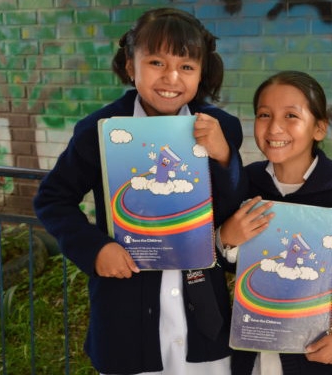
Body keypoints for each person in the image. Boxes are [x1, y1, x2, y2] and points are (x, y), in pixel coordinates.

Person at [33, 8, 245, 375]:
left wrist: (224, 157)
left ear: (201, 73)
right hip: (126, 310)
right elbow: (52, 198)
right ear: (131, 67)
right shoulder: (100, 130)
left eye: (187, 66)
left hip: (202, 311)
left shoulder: (219, 128)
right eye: (156, 62)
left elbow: (229, 213)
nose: (171, 78)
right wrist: (95, 248)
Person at [218, 70, 332, 375]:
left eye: (291, 115)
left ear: (319, 128)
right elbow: (228, 262)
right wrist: (225, 239)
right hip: (253, 348)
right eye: (264, 115)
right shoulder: (245, 182)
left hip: (317, 352)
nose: (275, 127)